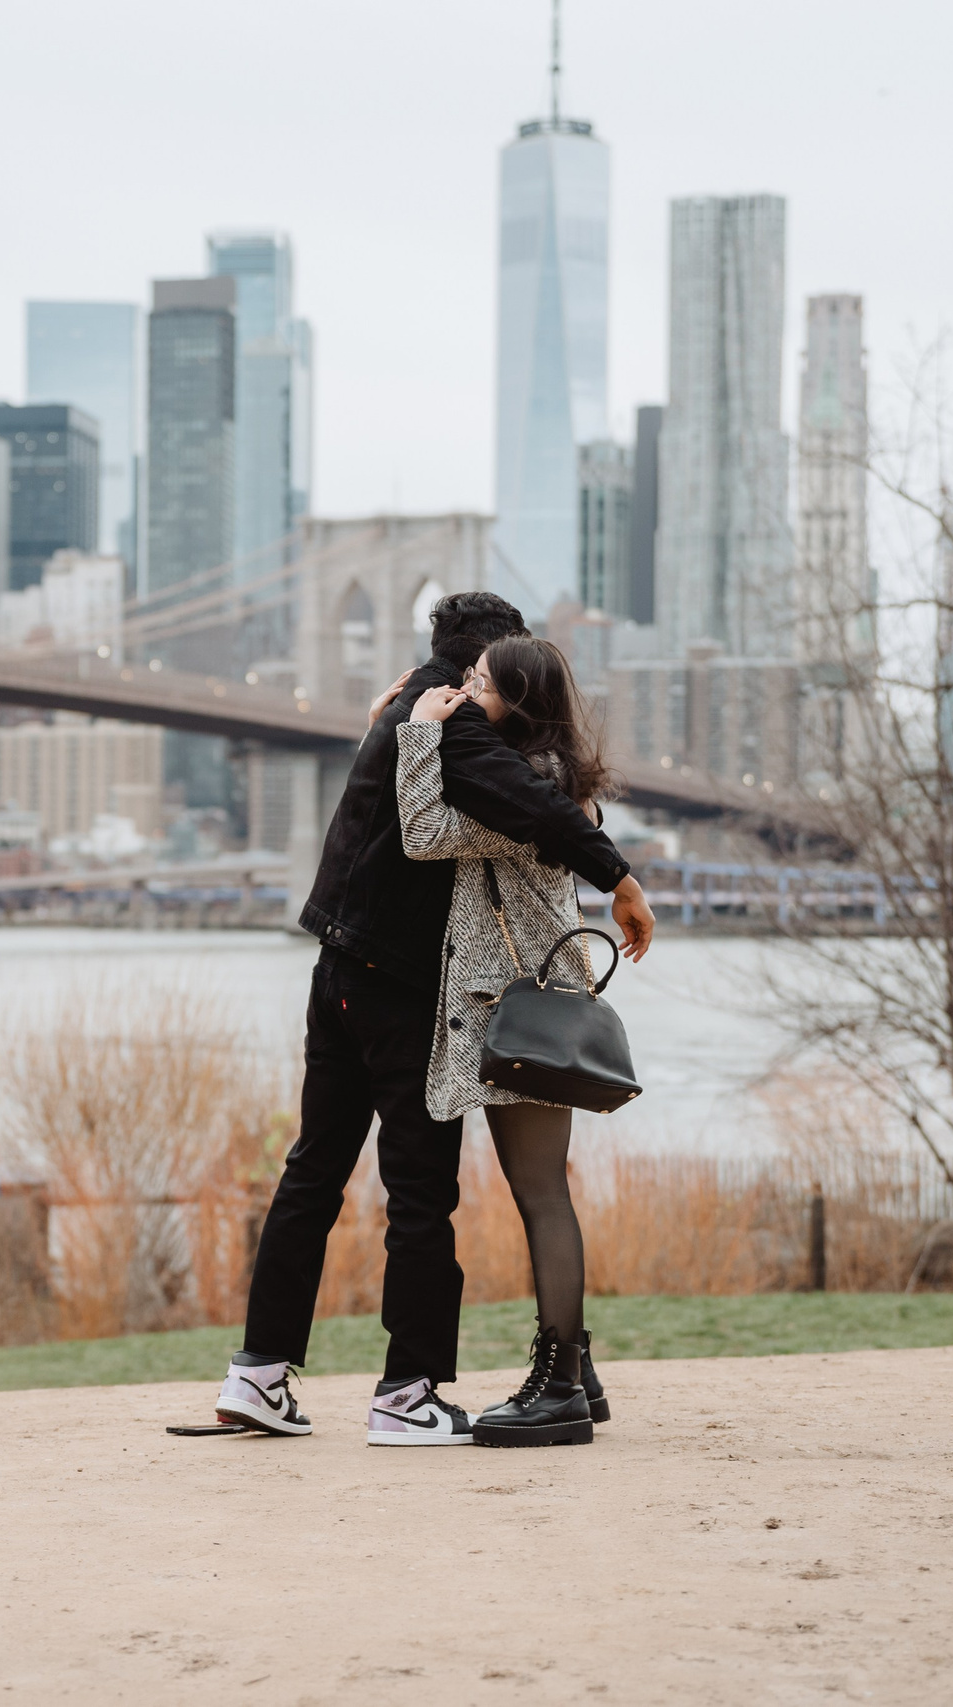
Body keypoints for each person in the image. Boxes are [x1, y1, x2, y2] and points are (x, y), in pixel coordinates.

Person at [214, 592, 654, 1445]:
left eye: (488, 679)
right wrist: (620, 876)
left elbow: (540, 807)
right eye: (481, 670)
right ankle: (407, 1392)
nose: (472, 688)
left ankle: (259, 1373)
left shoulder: (429, 710)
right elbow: (434, 829)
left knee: (314, 1172)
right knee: (421, 1191)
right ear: (474, 664)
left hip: (339, 966)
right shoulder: (449, 721)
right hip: (398, 986)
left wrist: (411, 716)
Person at [399, 636, 637, 1447]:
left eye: (480, 685)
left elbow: (425, 832)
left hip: (521, 1008)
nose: (464, 692)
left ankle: (560, 1382)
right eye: (462, 679)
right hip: (530, 1001)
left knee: (541, 1194)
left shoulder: (522, 797)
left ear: (520, 704)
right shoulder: (546, 783)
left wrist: (419, 732)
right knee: (545, 1189)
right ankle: (580, 1370)